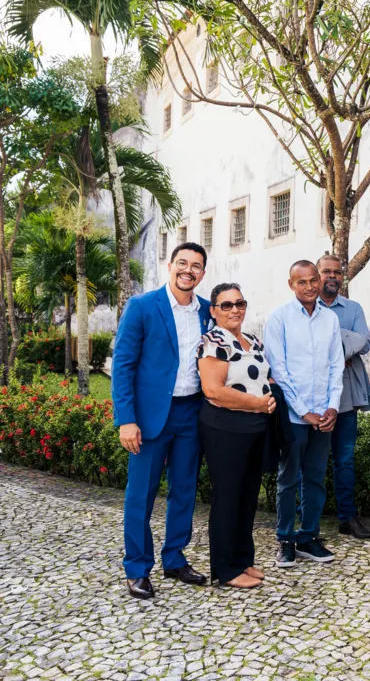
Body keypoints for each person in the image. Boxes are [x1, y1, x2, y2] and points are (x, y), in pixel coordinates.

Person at [113, 242, 212, 600]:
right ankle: (137, 569)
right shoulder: (142, 307)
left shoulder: (206, 312)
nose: (188, 270)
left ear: (202, 272)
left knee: (184, 491)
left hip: (192, 412)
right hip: (152, 416)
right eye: (182, 263)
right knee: (141, 495)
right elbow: (122, 365)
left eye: (196, 266)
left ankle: (174, 558)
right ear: (170, 266)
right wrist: (126, 419)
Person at [264, 260, 345, 568]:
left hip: (324, 416)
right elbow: (279, 370)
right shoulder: (279, 318)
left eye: (313, 280)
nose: (310, 286)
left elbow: (336, 365)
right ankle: (285, 539)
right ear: (291, 284)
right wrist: (304, 411)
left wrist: (332, 407)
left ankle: (308, 536)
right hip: (294, 418)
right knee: (287, 479)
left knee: (315, 479)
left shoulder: (330, 319)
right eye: (302, 282)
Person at [195, 283, 276, 589]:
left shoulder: (252, 340)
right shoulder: (212, 341)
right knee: (228, 498)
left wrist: (269, 396)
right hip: (224, 428)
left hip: (254, 428)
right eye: (226, 305)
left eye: (239, 303)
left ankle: (244, 559)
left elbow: (262, 376)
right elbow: (213, 390)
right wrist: (257, 403)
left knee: (247, 497)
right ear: (214, 311)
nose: (234, 310)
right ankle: (226, 570)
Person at [316, 254, 370, 540]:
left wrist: (327, 342)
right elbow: (305, 345)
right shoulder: (304, 307)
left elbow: (364, 342)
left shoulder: (353, 308)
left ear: (343, 277)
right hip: (313, 396)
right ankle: (309, 522)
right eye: (326, 271)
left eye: (337, 272)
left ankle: (347, 518)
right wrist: (342, 344)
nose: (332, 276)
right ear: (316, 276)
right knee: (311, 460)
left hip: (347, 396)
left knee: (345, 460)